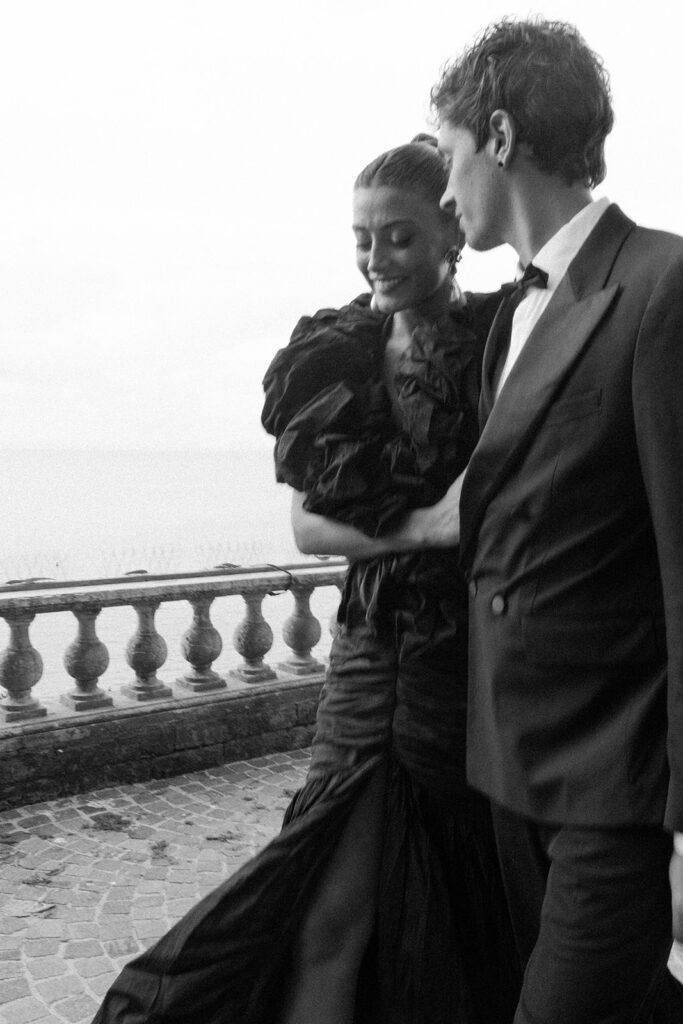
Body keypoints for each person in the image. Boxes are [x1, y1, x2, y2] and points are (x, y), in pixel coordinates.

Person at [90, 139, 519, 1024]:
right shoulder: (335, 351)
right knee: (328, 913)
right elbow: (308, 526)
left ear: (452, 231)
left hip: (471, 662)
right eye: (362, 238)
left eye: (398, 236)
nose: (375, 258)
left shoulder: (503, 334)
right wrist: (431, 526)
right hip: (366, 658)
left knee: (472, 906)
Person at [430, 17, 683, 1024]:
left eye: (448, 157)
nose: (443, 192)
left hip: (616, 795)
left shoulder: (662, 287)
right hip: (510, 776)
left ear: (498, 136)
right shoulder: (508, 318)